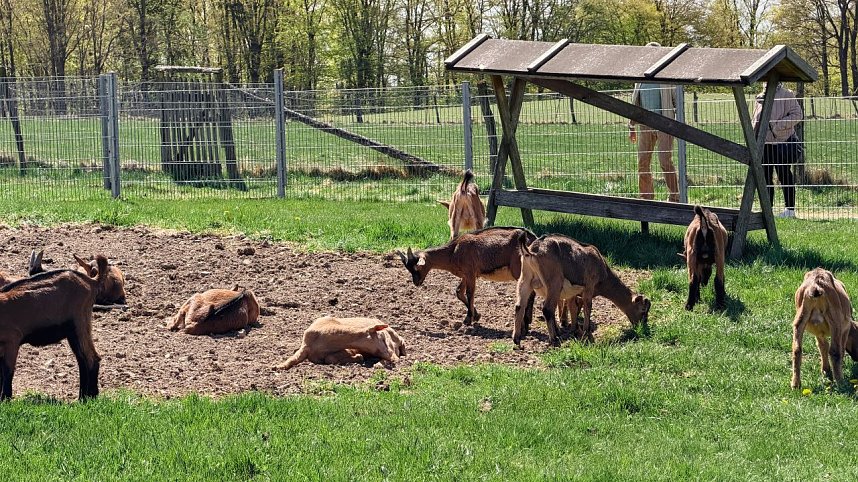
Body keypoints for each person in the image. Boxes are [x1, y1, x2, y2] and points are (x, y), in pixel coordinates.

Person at [628, 42, 679, 203]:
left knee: (665, 161)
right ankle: (646, 198)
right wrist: (631, 126)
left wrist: (675, 126)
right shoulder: (640, 78)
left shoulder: (666, 77)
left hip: (664, 125)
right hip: (644, 125)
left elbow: (677, 101)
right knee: (643, 162)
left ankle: (675, 197)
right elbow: (635, 102)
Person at [751, 83, 803, 218]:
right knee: (765, 178)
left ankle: (790, 210)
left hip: (782, 141)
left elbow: (797, 114)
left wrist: (777, 127)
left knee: (784, 175)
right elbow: (755, 120)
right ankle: (767, 210)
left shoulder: (787, 94)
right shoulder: (760, 97)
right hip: (764, 144)